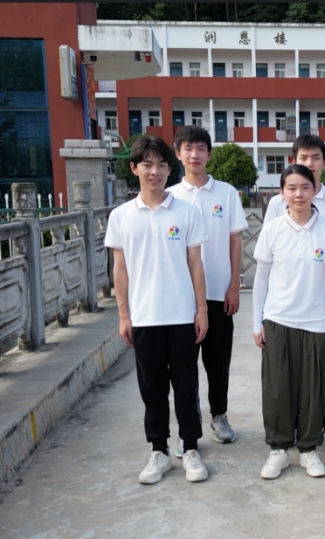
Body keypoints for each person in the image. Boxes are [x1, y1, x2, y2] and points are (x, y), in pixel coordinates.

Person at [104, 136, 209, 484]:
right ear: (134, 168)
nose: (155, 172)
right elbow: (120, 269)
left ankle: (190, 447)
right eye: (147, 165)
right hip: (144, 316)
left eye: (162, 165)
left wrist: (201, 309)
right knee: (151, 389)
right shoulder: (121, 217)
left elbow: (195, 264)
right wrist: (123, 314)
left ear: (169, 168)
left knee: (186, 385)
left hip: (181, 315)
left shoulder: (187, 212)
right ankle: (159, 451)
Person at [252, 164, 325, 480]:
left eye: (305, 187)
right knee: (277, 388)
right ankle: (278, 449)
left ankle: (308, 449)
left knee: (313, 389)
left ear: (314, 190)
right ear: (282, 193)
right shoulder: (273, 229)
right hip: (278, 319)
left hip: (315, 321)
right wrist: (257, 322)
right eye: (291, 188)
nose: (299, 194)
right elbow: (260, 279)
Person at [263, 135, 325, 446]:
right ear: (294, 161)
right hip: (286, 302)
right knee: (285, 372)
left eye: (315, 157)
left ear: (324, 163)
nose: (309, 163)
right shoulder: (279, 203)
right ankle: (289, 428)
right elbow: (270, 256)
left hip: (324, 299)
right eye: (303, 158)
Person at [168, 126, 248, 454]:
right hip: (181, 298)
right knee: (183, 367)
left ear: (209, 154)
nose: (195, 155)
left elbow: (235, 241)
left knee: (218, 362)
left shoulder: (226, 193)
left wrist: (234, 285)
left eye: (201, 148)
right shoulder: (170, 196)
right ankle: (189, 427)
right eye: (188, 148)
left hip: (218, 294)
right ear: (178, 154)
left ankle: (219, 415)